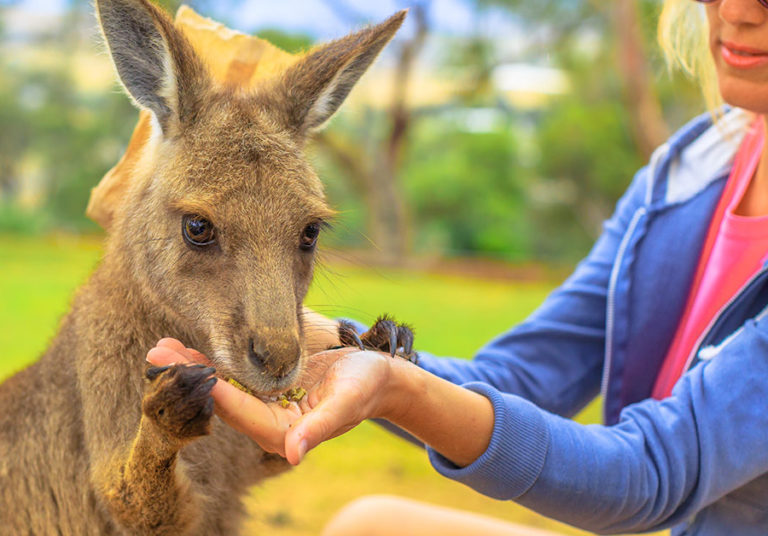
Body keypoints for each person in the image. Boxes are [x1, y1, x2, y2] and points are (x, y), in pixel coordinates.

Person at [146, 0, 768, 534]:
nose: (736, 11)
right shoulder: (690, 169)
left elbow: (652, 470)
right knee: (369, 525)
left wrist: (398, 390)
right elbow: (520, 379)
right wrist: (330, 338)